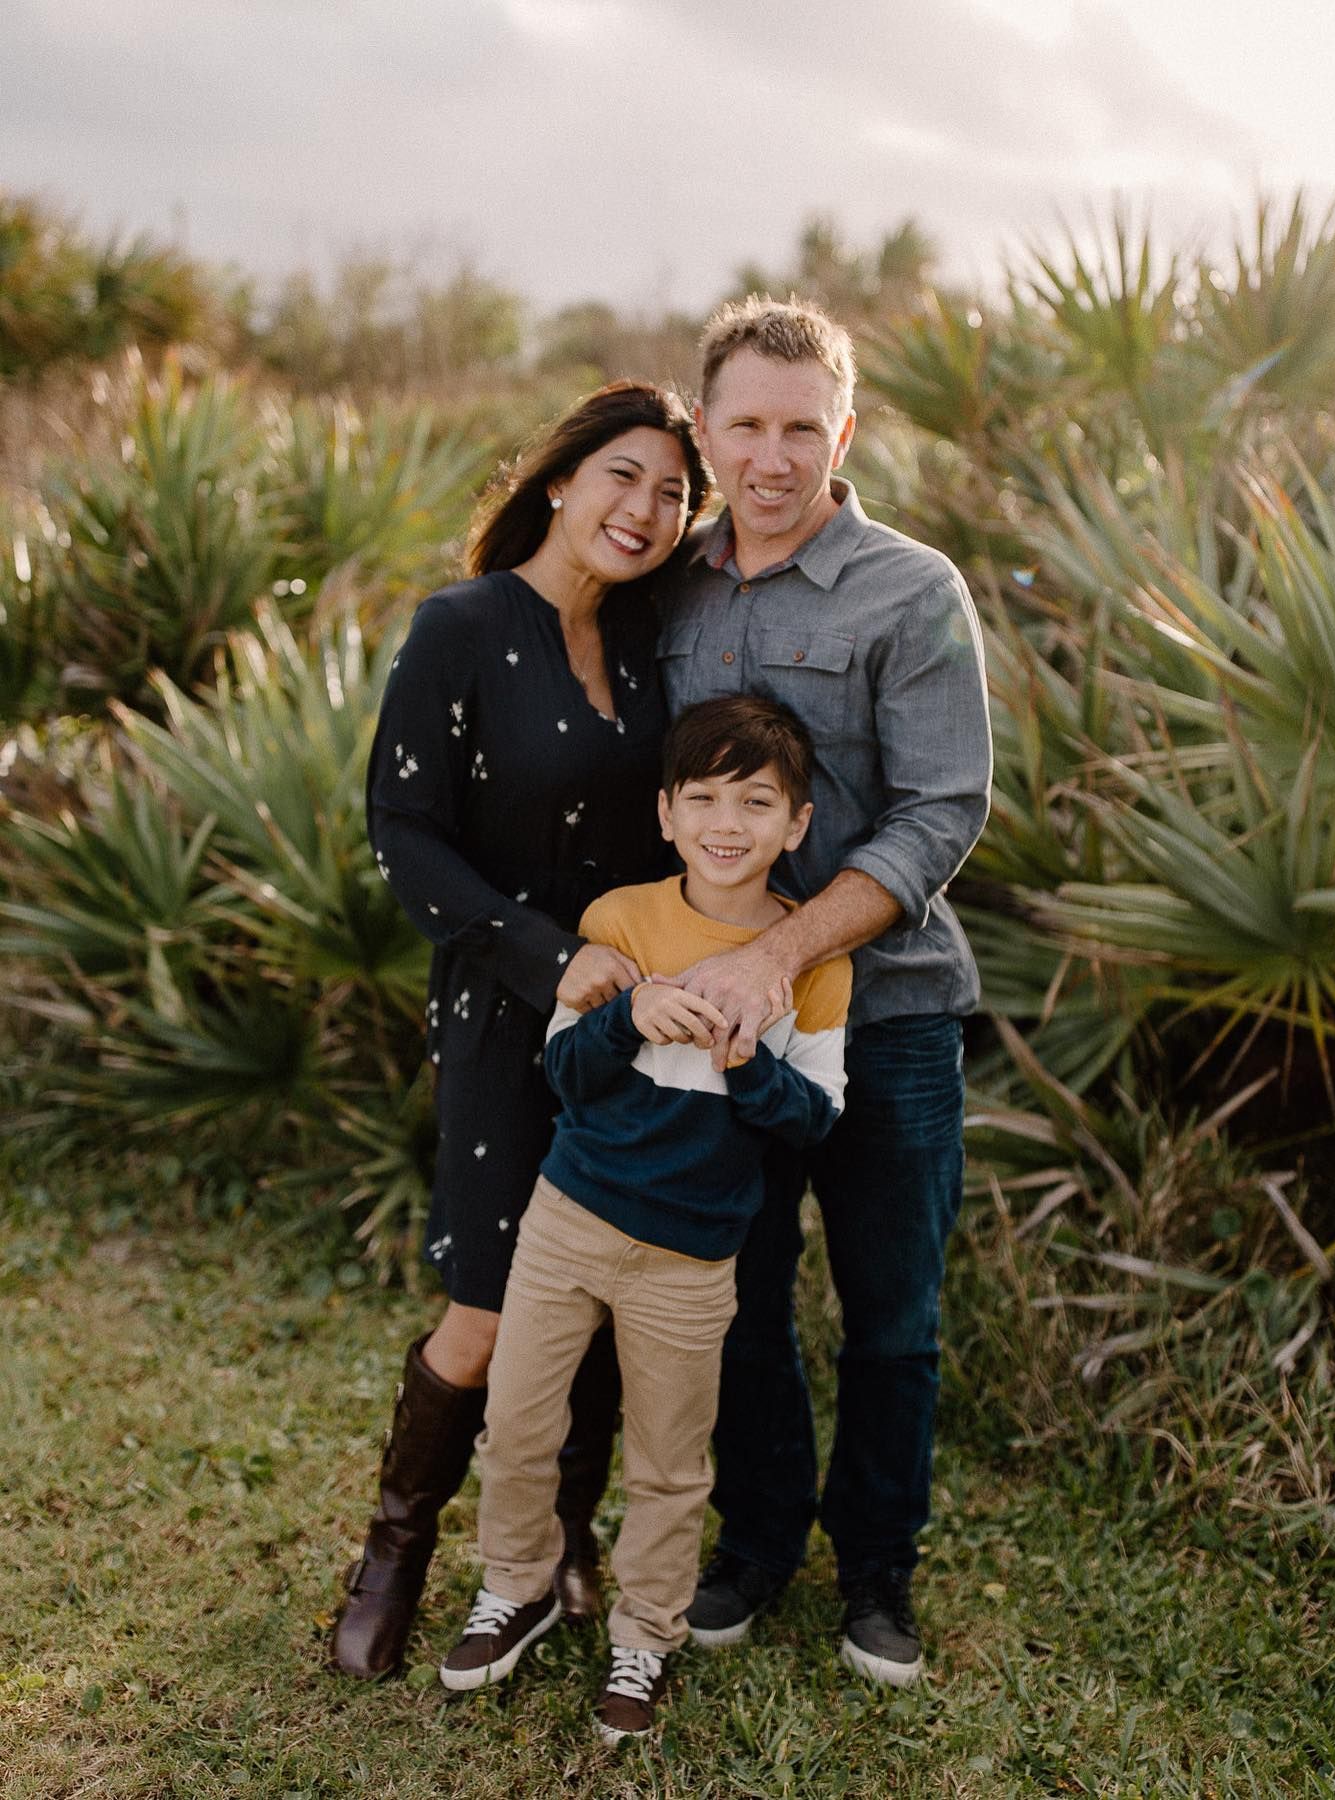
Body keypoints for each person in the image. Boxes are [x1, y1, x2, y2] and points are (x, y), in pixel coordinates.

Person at [330, 381, 709, 1680]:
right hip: (506, 1008)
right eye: (622, 475)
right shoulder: (462, 628)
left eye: (671, 492)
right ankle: (395, 1552)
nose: (644, 508)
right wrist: (554, 958)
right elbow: (404, 835)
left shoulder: (656, 636)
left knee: (607, 1286)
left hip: (637, 1025)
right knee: (489, 1307)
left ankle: (555, 1548)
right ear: (559, 478)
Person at [655, 296, 993, 1687]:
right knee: (732, 1289)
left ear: (843, 433)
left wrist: (782, 951)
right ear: (707, 428)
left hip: (894, 1014)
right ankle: (756, 1543)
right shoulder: (664, 587)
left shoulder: (912, 589)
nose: (774, 455)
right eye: (746, 424)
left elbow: (944, 810)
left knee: (892, 1313)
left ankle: (877, 1572)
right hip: (713, 1017)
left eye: (804, 427)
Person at [435, 695, 851, 1744]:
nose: (728, 821)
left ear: (795, 825)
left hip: (691, 1257)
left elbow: (815, 1121)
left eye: (757, 801)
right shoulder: (620, 918)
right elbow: (564, 1075)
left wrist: (747, 1060)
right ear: (666, 814)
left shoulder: (811, 960)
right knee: (520, 1424)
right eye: (704, 797)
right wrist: (628, 1016)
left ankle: (647, 1636)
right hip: (568, 1222)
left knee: (672, 1462)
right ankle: (516, 1587)